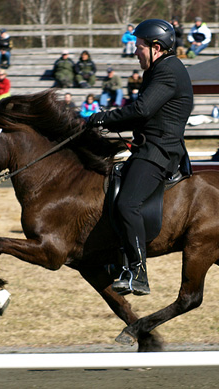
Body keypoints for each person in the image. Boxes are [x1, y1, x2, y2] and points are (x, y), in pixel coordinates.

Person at [87, 19, 193, 296]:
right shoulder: (158, 69)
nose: (135, 52)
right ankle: (118, 262)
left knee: (127, 204)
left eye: (139, 47)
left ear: (156, 47)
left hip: (159, 151)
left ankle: (138, 272)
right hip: (146, 146)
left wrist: (101, 119)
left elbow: (143, 109)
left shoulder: (168, 71)